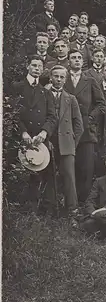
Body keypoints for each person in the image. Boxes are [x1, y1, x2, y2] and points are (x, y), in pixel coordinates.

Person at [13, 55, 57, 209]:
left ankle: (31, 211)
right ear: (27, 66)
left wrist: (44, 132)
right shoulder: (17, 87)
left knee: (36, 175)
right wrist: (23, 132)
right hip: (20, 138)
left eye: (39, 66)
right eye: (34, 65)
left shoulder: (45, 93)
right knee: (19, 173)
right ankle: (14, 209)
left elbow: (52, 117)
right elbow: (11, 113)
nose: (37, 69)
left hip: (39, 141)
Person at [64, 49, 106, 203]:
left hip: (87, 132)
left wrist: (89, 118)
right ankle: (69, 205)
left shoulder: (90, 81)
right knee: (68, 170)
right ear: (68, 61)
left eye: (79, 58)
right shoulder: (63, 79)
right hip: (65, 131)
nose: (76, 60)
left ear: (83, 62)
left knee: (86, 170)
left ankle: (84, 205)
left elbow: (101, 105)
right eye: (73, 58)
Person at [46, 65, 84, 222]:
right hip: (47, 141)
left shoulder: (71, 99)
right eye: (56, 76)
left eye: (62, 77)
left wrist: (72, 145)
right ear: (51, 77)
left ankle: (72, 211)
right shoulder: (44, 95)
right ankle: (49, 208)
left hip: (67, 143)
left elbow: (79, 125)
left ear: (65, 79)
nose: (59, 79)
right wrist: (45, 140)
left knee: (69, 176)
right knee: (47, 175)